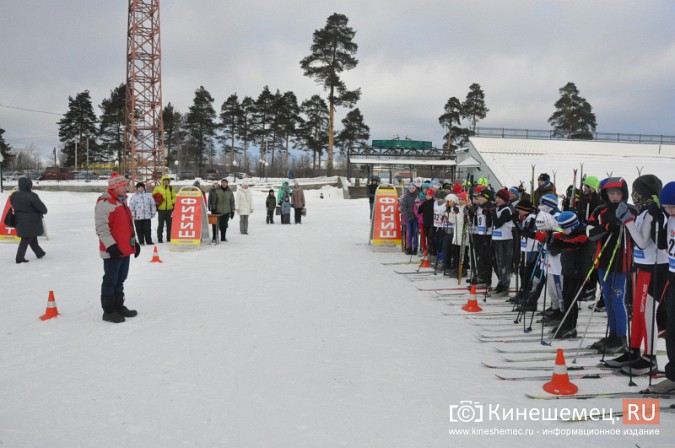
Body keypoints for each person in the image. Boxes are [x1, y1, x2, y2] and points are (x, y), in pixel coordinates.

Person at [606, 175, 667, 376]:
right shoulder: (643, 212)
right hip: (642, 266)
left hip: (654, 269)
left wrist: (628, 221)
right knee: (639, 312)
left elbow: (642, 242)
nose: (633, 196)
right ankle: (634, 350)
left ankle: (650, 357)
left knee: (647, 312)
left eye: (636, 192)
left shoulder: (652, 213)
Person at [586, 177, 638, 353]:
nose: (615, 197)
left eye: (618, 193)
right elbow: (590, 233)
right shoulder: (600, 210)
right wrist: (608, 227)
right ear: (605, 194)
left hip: (621, 262)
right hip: (603, 260)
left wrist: (626, 225)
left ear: (624, 194)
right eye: (611, 193)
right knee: (607, 298)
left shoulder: (631, 210)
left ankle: (621, 336)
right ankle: (613, 334)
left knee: (617, 299)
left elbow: (638, 235)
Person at [95, 174, 140, 323]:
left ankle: (119, 306)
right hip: (112, 251)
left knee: (120, 279)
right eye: (124, 185)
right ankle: (108, 311)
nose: (126, 188)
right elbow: (101, 228)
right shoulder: (105, 202)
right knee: (110, 280)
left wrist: (135, 244)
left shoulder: (122, 202)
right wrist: (111, 246)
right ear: (115, 186)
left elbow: (127, 226)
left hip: (125, 249)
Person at [644, 181, 675, 393]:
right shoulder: (670, 220)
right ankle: (673, 376)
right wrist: (658, 217)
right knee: (672, 331)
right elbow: (663, 244)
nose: (669, 211)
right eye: (666, 208)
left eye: (672, 207)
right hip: (673, 277)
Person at [548, 211, 593, 338]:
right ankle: (566, 323)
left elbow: (573, 245)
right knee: (566, 297)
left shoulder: (583, 233)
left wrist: (559, 243)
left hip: (578, 270)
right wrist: (549, 238)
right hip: (568, 269)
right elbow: (560, 237)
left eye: (564, 228)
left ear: (572, 225)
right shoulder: (568, 233)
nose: (563, 230)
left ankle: (571, 327)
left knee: (571, 299)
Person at [10, 177, 47, 263]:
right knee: (26, 238)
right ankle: (19, 258)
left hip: (19, 219)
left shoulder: (14, 195)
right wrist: (43, 211)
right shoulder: (32, 195)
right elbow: (42, 208)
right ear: (28, 185)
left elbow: (13, 204)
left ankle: (39, 253)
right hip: (31, 220)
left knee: (31, 236)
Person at [490, 188, 514, 297]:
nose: (497, 200)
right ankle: (500, 283)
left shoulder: (506, 210)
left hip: (506, 239)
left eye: (500, 198)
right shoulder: (498, 208)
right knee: (498, 263)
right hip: (497, 238)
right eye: (497, 197)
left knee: (505, 264)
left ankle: (505, 286)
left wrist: (493, 213)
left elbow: (498, 223)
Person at [152, 174, 176, 243]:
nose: (166, 182)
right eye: (164, 180)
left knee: (169, 224)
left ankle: (169, 237)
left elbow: (174, 197)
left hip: (169, 209)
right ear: (162, 181)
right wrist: (158, 200)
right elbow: (153, 196)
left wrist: (171, 202)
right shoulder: (158, 188)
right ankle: (160, 238)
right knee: (161, 225)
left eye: (167, 181)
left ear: (168, 181)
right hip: (161, 209)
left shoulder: (171, 188)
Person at [401, 184, 419, 255]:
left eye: (413, 188)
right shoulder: (406, 196)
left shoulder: (417, 196)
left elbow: (418, 207)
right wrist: (408, 216)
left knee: (415, 233)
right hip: (408, 218)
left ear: (415, 189)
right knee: (409, 233)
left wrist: (415, 216)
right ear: (408, 189)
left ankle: (415, 248)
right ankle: (409, 248)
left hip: (416, 218)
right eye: (410, 188)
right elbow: (404, 207)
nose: (411, 189)